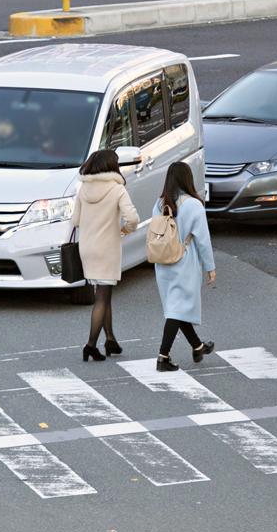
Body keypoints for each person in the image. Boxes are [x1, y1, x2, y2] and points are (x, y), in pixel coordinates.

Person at [71, 149, 139, 362]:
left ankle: (110, 340)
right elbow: (133, 218)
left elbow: (75, 220)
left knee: (103, 293)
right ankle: (90, 345)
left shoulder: (83, 188)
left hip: (87, 247)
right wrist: (125, 230)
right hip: (107, 247)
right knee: (102, 296)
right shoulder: (116, 189)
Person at [153, 162, 216, 372]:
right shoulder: (194, 205)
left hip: (163, 261)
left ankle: (197, 346)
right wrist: (210, 267)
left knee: (176, 306)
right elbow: (203, 240)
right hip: (184, 260)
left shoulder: (160, 203)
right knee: (177, 308)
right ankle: (163, 356)